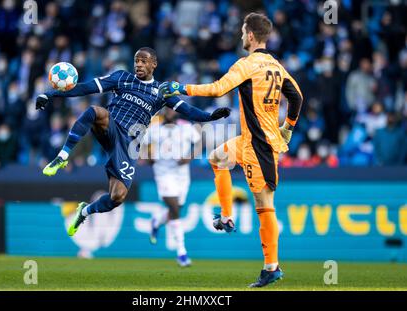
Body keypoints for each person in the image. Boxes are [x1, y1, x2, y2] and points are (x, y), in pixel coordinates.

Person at [160, 13, 303, 287]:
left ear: (250, 35)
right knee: (216, 158)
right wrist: (289, 127)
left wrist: (180, 87)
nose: (240, 36)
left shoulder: (246, 64)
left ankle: (271, 267)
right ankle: (226, 215)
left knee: (264, 205)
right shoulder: (275, 65)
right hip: (249, 139)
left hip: (260, 146)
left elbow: (217, 89)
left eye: (242, 32)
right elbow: (297, 96)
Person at [35, 47, 230, 237]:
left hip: (129, 145)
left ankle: (84, 212)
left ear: (154, 64)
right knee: (94, 111)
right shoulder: (121, 77)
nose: (138, 64)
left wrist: (211, 116)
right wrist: (50, 94)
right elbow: (86, 88)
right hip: (111, 127)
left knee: (117, 197)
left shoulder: (161, 91)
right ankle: (62, 156)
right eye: (136, 60)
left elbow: (188, 111)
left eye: (143, 61)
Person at [142, 107, 201, 267]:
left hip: (182, 174)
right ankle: (181, 252)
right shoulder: (154, 130)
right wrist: (148, 158)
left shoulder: (186, 127)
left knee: (176, 208)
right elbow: (141, 148)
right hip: (163, 173)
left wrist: (188, 158)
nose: (168, 111)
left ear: (176, 111)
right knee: (175, 209)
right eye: (166, 109)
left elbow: (199, 144)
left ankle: (156, 221)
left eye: (171, 109)